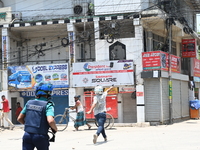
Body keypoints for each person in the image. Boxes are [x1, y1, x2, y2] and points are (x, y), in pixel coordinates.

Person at [17, 82, 57, 150]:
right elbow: (50, 120)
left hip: (27, 135)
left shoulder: (29, 103)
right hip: (40, 136)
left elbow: (19, 118)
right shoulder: (48, 104)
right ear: (49, 94)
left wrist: (28, 125)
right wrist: (55, 129)